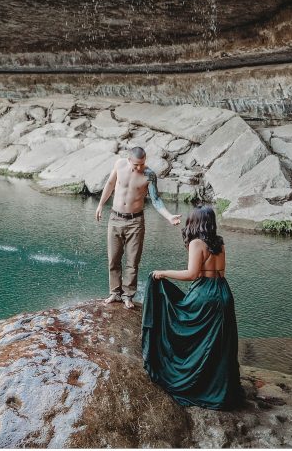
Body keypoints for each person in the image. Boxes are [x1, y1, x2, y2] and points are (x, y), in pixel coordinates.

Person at [142, 206, 242, 410]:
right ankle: (221, 390)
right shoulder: (219, 242)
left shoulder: (197, 243)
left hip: (205, 294)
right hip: (223, 292)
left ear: (195, 222)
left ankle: (195, 384)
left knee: (183, 326)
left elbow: (192, 274)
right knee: (219, 344)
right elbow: (220, 270)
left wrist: (163, 273)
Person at [95, 146, 182, 309]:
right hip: (115, 218)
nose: (139, 168)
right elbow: (110, 184)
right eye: (136, 165)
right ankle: (115, 293)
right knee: (113, 259)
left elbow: (156, 199)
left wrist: (169, 216)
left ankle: (128, 295)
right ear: (129, 160)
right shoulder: (119, 164)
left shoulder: (149, 175)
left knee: (132, 261)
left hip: (135, 222)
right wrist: (100, 205)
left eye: (142, 164)